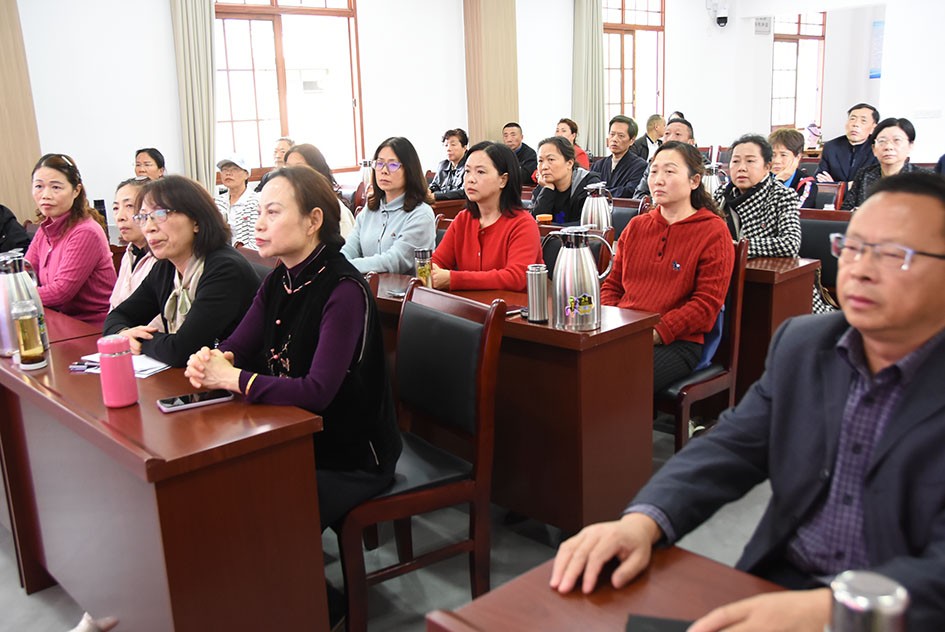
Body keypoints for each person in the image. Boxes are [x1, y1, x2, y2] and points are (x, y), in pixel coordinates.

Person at [550, 171, 945, 631]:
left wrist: (828, 610)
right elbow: (731, 446)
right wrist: (641, 522)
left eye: (893, 254)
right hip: (780, 582)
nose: (859, 269)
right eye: (852, 248)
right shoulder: (805, 343)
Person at [183, 166, 402, 632]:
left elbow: (318, 392)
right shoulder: (279, 279)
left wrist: (234, 378)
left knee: (262, 507)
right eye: (259, 212)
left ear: (313, 220)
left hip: (351, 454)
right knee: (220, 490)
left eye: (273, 212)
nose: (259, 223)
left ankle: (321, 608)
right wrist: (214, 359)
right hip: (296, 438)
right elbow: (238, 345)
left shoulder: (343, 289)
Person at [601, 142, 733, 392]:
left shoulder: (713, 231)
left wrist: (656, 332)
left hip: (677, 342)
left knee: (615, 377)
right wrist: (614, 325)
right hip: (625, 332)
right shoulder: (637, 226)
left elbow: (705, 305)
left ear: (694, 181)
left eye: (669, 172)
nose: (658, 180)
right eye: (654, 171)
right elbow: (612, 286)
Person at [103, 175, 259, 367]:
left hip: (241, 379)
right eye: (143, 217)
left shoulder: (224, 269)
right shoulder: (166, 267)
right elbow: (117, 317)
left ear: (196, 221)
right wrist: (122, 333)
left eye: (160, 214)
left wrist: (137, 340)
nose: (149, 227)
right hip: (195, 377)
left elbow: (183, 350)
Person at [432, 141, 542, 292]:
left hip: (511, 305)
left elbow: (516, 277)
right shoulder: (464, 219)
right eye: (467, 171)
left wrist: (454, 279)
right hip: (469, 305)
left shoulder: (523, 223)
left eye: (480, 172)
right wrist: (432, 271)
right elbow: (438, 261)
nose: (470, 179)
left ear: (503, 180)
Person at [25, 154, 116, 326]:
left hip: (92, 327)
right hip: (59, 321)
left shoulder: (85, 232)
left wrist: (17, 297)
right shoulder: (45, 229)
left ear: (76, 190)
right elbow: (25, 273)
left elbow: (60, 292)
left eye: (56, 187)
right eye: (39, 186)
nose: (45, 195)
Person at [341, 137, 435, 274]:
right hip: (369, 284)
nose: (384, 171)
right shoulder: (370, 209)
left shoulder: (421, 214)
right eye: (379, 164)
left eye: (393, 165)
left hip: (405, 287)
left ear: (409, 170)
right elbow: (350, 248)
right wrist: (337, 263)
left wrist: (344, 266)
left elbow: (395, 261)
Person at [713, 134, 800, 258]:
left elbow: (790, 244)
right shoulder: (722, 194)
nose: (741, 168)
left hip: (765, 268)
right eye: (736, 161)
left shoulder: (782, 195)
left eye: (750, 161)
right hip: (723, 264)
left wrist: (736, 247)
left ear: (767, 167)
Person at [842, 117, 929, 210]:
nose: (888, 147)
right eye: (882, 141)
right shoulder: (864, 174)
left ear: (910, 146)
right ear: (874, 149)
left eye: (897, 140)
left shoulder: (925, 178)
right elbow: (846, 210)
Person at [284, 143, 356, 239]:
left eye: (299, 168)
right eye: (288, 168)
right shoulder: (290, 206)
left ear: (317, 171)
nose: (291, 174)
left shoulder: (337, 212)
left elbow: (346, 246)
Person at [109, 178, 158, 310]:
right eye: (115, 208)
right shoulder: (130, 253)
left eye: (129, 206)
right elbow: (115, 305)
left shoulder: (162, 258)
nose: (120, 216)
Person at [532, 136, 602, 224]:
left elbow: (589, 224)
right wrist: (548, 189)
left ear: (569, 163)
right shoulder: (543, 186)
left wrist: (551, 227)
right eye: (540, 161)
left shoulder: (589, 185)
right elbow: (534, 223)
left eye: (551, 159)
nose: (544, 167)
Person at [633, 118, 698, 199]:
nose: (670, 138)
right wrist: (658, 200)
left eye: (677, 134)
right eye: (667, 133)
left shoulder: (698, 164)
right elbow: (638, 196)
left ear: (690, 142)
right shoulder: (654, 163)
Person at [816, 103, 879, 184]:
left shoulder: (878, 149)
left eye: (863, 121)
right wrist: (847, 186)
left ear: (874, 128)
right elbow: (819, 179)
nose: (855, 124)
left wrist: (836, 185)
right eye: (852, 119)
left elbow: (873, 183)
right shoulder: (831, 147)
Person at [590, 115, 647, 198]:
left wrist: (601, 192)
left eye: (621, 136)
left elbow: (629, 192)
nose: (614, 139)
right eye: (612, 134)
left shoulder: (640, 166)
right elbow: (590, 189)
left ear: (632, 140)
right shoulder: (598, 165)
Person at [214, 154, 259, 249]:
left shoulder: (256, 202)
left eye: (234, 169)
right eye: (224, 170)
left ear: (246, 174)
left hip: (248, 254)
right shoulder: (218, 202)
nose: (228, 173)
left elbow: (256, 243)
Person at [768, 128, 818, 208]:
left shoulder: (806, 184)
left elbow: (792, 212)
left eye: (783, 155)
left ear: (797, 157)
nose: (776, 161)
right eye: (773, 155)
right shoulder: (761, 179)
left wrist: (779, 181)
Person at [429, 128, 469, 200]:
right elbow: (435, 186)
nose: (448, 149)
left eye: (453, 145)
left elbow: (464, 192)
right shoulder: (442, 165)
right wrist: (428, 192)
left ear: (464, 147)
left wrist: (436, 196)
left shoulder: (469, 166)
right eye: (446, 145)